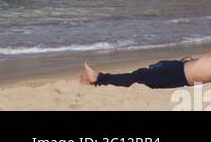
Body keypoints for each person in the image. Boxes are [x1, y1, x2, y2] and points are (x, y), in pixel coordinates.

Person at [80, 53, 211, 91]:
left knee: (136, 76)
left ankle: (97, 78)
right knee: (140, 74)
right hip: (178, 68)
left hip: (175, 76)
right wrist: (192, 61)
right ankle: (95, 80)